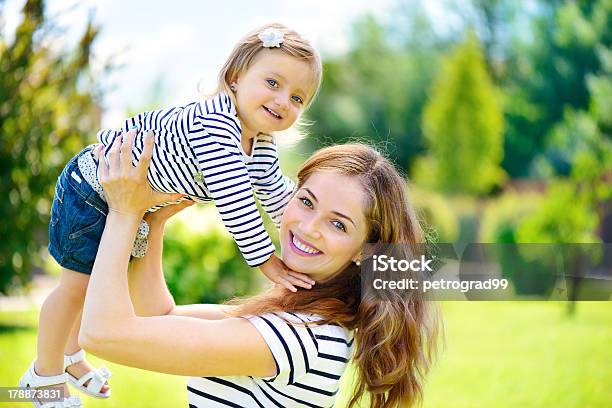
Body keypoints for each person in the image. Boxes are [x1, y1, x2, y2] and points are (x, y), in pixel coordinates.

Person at [21, 23, 321, 406]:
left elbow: (276, 194)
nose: (283, 101)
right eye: (273, 83)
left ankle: (71, 356)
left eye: (298, 98)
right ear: (235, 77)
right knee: (76, 287)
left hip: (129, 204)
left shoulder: (259, 143)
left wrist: (302, 231)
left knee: (94, 285)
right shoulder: (217, 125)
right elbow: (235, 200)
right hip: (94, 188)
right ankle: (43, 376)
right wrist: (267, 261)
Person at [80, 133, 439, 407]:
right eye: (306, 201)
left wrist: (124, 213)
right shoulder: (298, 314)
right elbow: (159, 316)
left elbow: (103, 334)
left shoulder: (301, 336)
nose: (309, 227)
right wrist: (153, 221)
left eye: (338, 225)